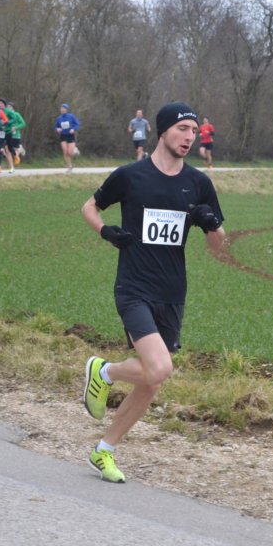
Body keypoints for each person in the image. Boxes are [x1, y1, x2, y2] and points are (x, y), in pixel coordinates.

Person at [80, 101, 226, 483]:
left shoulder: (198, 184)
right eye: (182, 129)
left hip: (172, 293)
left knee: (152, 380)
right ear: (163, 131)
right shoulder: (131, 176)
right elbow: (90, 207)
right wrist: (105, 231)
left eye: (194, 131)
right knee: (160, 368)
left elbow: (218, 247)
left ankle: (104, 450)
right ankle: (104, 372)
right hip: (133, 287)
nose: (190, 137)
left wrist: (211, 224)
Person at [0, 98, 26, 173]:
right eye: (7, 107)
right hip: (7, 133)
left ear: (13, 108)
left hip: (15, 135)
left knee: (15, 150)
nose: (8, 108)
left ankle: (20, 149)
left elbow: (23, 123)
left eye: (10, 107)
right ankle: (11, 166)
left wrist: (16, 127)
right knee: (7, 150)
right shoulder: (4, 113)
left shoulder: (17, 114)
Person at [55, 103, 80, 172]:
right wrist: (57, 129)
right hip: (63, 136)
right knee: (65, 151)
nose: (62, 110)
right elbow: (56, 126)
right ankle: (69, 166)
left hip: (70, 136)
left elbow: (77, 124)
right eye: (61, 108)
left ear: (66, 110)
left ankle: (75, 150)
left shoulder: (71, 116)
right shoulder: (59, 118)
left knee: (70, 153)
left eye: (64, 109)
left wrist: (73, 129)